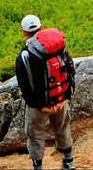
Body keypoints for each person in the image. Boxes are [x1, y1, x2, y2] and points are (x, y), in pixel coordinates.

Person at [15, 14, 78, 170]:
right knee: (63, 128)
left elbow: (24, 85)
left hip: (39, 106)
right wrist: (64, 98)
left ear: (24, 33)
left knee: (35, 135)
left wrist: (39, 105)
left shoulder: (24, 55)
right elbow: (70, 69)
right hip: (60, 99)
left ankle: (38, 167)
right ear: (41, 28)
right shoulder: (58, 46)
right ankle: (68, 162)